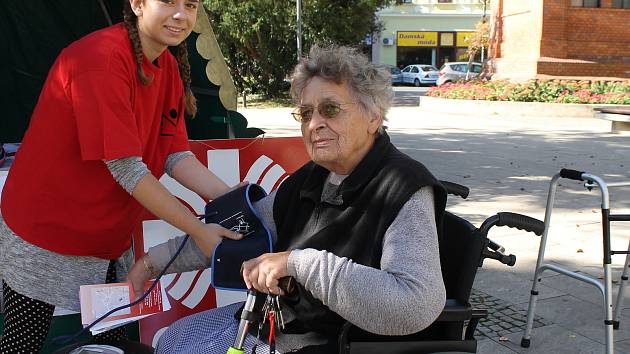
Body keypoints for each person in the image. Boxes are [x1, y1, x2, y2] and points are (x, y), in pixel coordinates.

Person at [128, 44, 447, 354]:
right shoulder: (313, 177)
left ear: (373, 117)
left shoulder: (405, 188)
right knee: (173, 340)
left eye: (330, 109)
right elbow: (239, 234)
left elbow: (416, 305)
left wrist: (297, 264)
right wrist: (151, 263)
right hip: (275, 320)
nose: (315, 124)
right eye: (306, 113)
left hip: (327, 339)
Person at [0, 0, 243, 352]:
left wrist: (232, 197)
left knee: (114, 341)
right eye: (169, 2)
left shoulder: (169, 69)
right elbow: (127, 169)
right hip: (43, 230)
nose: (180, 15)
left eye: (190, 5)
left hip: (109, 237)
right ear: (138, 4)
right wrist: (197, 230)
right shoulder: (99, 59)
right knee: (23, 343)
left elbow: (176, 155)